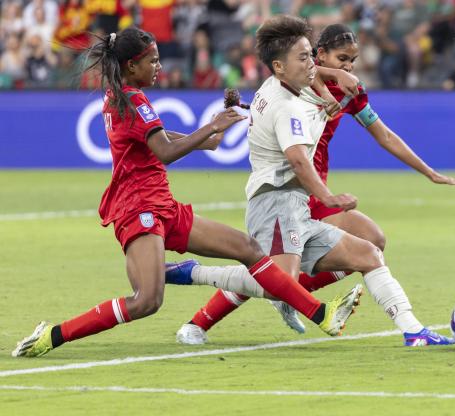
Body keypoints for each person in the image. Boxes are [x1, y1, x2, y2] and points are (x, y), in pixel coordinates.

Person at [11, 27, 362, 358]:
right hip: (139, 209)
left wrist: (212, 135)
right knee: (146, 301)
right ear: (131, 65)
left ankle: (322, 315)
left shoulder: (123, 96)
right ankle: (53, 335)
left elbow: (163, 139)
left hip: (162, 205)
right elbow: (164, 150)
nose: (159, 67)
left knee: (249, 249)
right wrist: (211, 128)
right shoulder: (132, 100)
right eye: (152, 61)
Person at [167, 20, 455, 347]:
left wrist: (429, 173)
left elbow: (382, 133)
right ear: (316, 54)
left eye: (352, 60)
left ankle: (413, 332)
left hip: (304, 194)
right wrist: (328, 196)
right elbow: (298, 156)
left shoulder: (333, 88)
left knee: (367, 250)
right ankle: (202, 281)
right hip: (290, 195)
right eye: (340, 59)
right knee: (279, 279)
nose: (348, 66)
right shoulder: (290, 101)